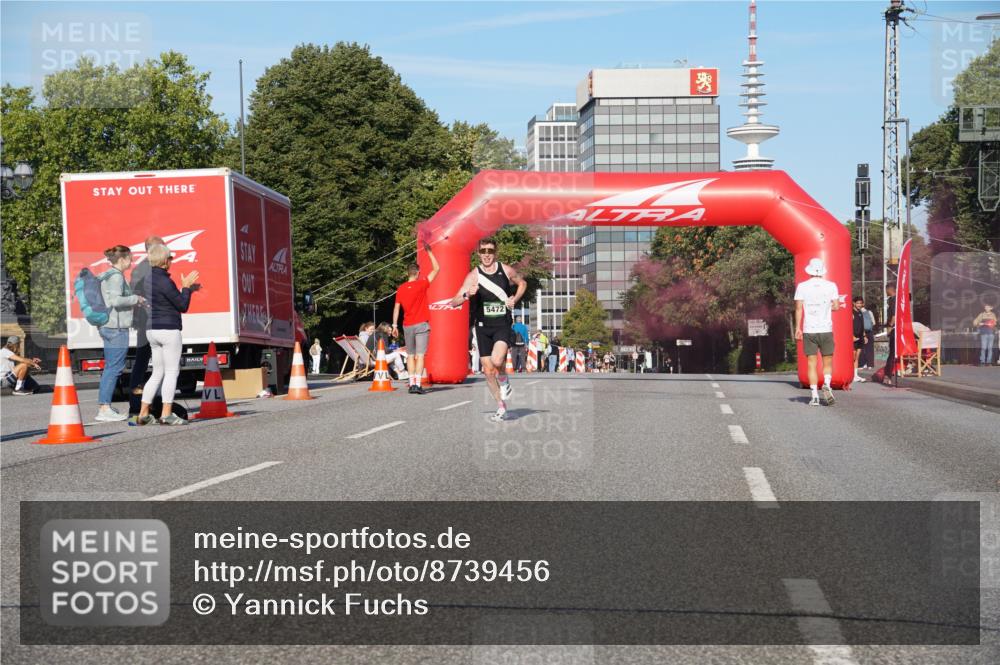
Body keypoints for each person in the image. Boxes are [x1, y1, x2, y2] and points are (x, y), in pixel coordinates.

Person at [449, 236, 527, 421]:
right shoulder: (473, 276)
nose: (486, 255)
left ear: (495, 253)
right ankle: (501, 407)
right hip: (482, 327)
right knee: (487, 370)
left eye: (490, 251)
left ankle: (504, 379)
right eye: (483, 251)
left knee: (497, 360)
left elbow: (522, 283)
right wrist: (467, 294)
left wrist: (514, 299)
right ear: (478, 253)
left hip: (502, 324)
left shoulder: (505, 270)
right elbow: (454, 301)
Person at [135, 244, 198, 425]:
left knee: (157, 373)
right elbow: (182, 305)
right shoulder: (164, 281)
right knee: (171, 372)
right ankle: (166, 414)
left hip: (151, 329)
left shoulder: (147, 279)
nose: (171, 260)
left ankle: (143, 414)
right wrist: (186, 288)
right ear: (164, 261)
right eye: (170, 258)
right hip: (168, 329)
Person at [96, 245, 145, 422]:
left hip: (107, 325)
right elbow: (115, 300)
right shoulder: (116, 276)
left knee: (111, 366)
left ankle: (105, 406)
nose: (131, 262)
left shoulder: (107, 274)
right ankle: (104, 408)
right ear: (122, 259)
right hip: (116, 327)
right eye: (130, 258)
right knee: (114, 368)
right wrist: (136, 298)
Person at [392, 242, 439, 393]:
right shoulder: (421, 284)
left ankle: (411, 384)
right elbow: (437, 269)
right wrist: (430, 252)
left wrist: (394, 326)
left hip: (407, 325)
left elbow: (396, 308)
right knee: (420, 355)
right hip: (421, 325)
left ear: (408, 273)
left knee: (410, 356)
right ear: (418, 273)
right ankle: (418, 384)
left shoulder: (401, 289)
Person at [794, 257, 842, 406]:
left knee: (811, 364)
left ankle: (814, 396)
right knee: (827, 361)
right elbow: (836, 306)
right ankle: (826, 384)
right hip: (826, 329)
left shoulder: (802, 286)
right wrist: (826, 307)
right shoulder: (831, 286)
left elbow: (798, 308)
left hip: (809, 330)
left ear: (809, 270)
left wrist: (798, 328)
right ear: (822, 271)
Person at [128, 235, 164, 423]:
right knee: (143, 363)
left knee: (149, 363)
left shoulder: (146, 267)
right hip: (147, 321)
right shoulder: (144, 269)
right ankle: (137, 404)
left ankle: (146, 403)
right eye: (162, 247)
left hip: (148, 320)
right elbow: (136, 294)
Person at [881, 284, 897, 384]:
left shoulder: (893, 300)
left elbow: (894, 316)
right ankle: (890, 373)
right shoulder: (895, 300)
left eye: (886, 290)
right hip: (898, 328)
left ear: (889, 290)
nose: (885, 292)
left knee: (892, 353)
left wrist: (890, 327)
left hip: (894, 329)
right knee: (893, 352)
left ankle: (888, 375)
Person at [851, 296, 867, 383]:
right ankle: (851, 375)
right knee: (852, 357)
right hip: (853, 338)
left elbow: (862, 325)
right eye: (857, 303)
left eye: (861, 303)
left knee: (857, 357)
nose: (859, 305)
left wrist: (864, 336)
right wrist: (852, 336)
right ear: (854, 303)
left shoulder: (861, 312)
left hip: (860, 337)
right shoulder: (851, 312)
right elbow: (848, 325)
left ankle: (855, 375)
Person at [861, 300, 875, 368]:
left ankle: (862, 364)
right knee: (870, 348)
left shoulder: (857, 312)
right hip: (869, 332)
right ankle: (870, 364)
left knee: (861, 348)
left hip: (861, 332)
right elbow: (874, 322)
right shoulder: (869, 312)